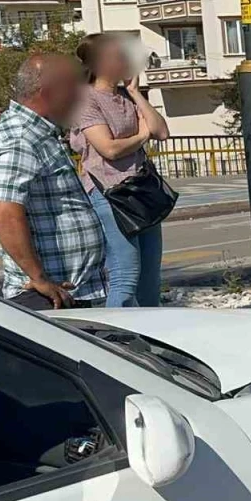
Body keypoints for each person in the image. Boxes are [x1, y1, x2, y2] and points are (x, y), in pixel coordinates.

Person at [0, 54, 106, 310]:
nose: (80, 97)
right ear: (49, 92)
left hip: (68, 290)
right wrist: (38, 278)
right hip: (46, 297)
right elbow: (5, 213)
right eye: (74, 88)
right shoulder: (20, 139)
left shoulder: (39, 133)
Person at [71, 33, 171, 308]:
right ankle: (116, 341)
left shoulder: (126, 97)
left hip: (141, 191)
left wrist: (136, 93)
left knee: (150, 278)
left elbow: (161, 132)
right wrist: (141, 136)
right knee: (125, 276)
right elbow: (109, 149)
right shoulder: (85, 100)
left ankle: (152, 341)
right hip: (110, 193)